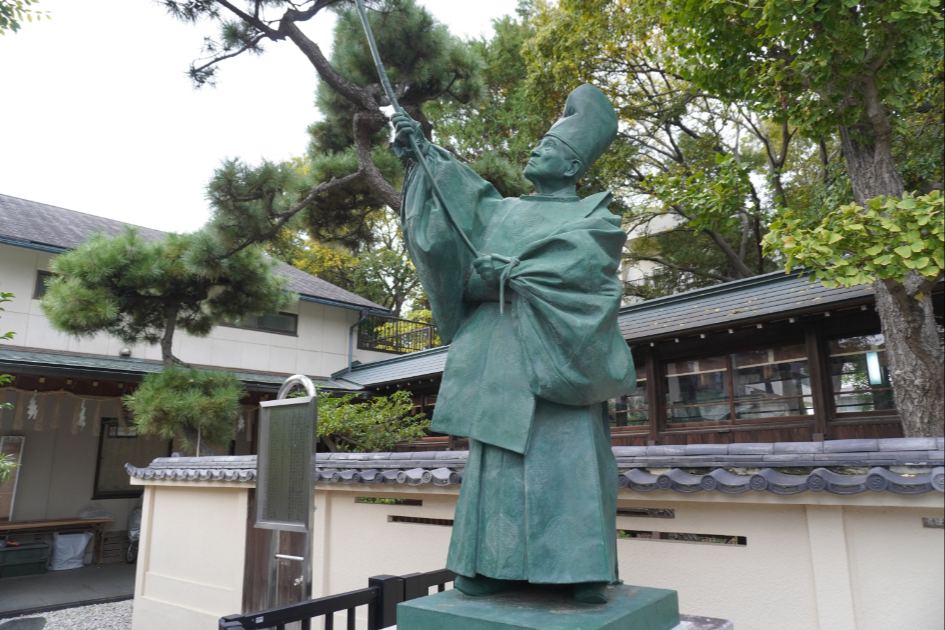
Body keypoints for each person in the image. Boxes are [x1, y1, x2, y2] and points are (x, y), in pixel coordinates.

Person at [392, 84, 635, 604]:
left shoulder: (594, 218)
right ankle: (489, 564)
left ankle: (581, 569)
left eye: (549, 147)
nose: (536, 151)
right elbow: (456, 214)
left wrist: (514, 277)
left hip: (558, 354)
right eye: (539, 144)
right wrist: (423, 156)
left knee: (567, 460)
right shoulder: (500, 212)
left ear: (572, 167)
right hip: (499, 356)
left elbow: (587, 274)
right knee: (497, 464)